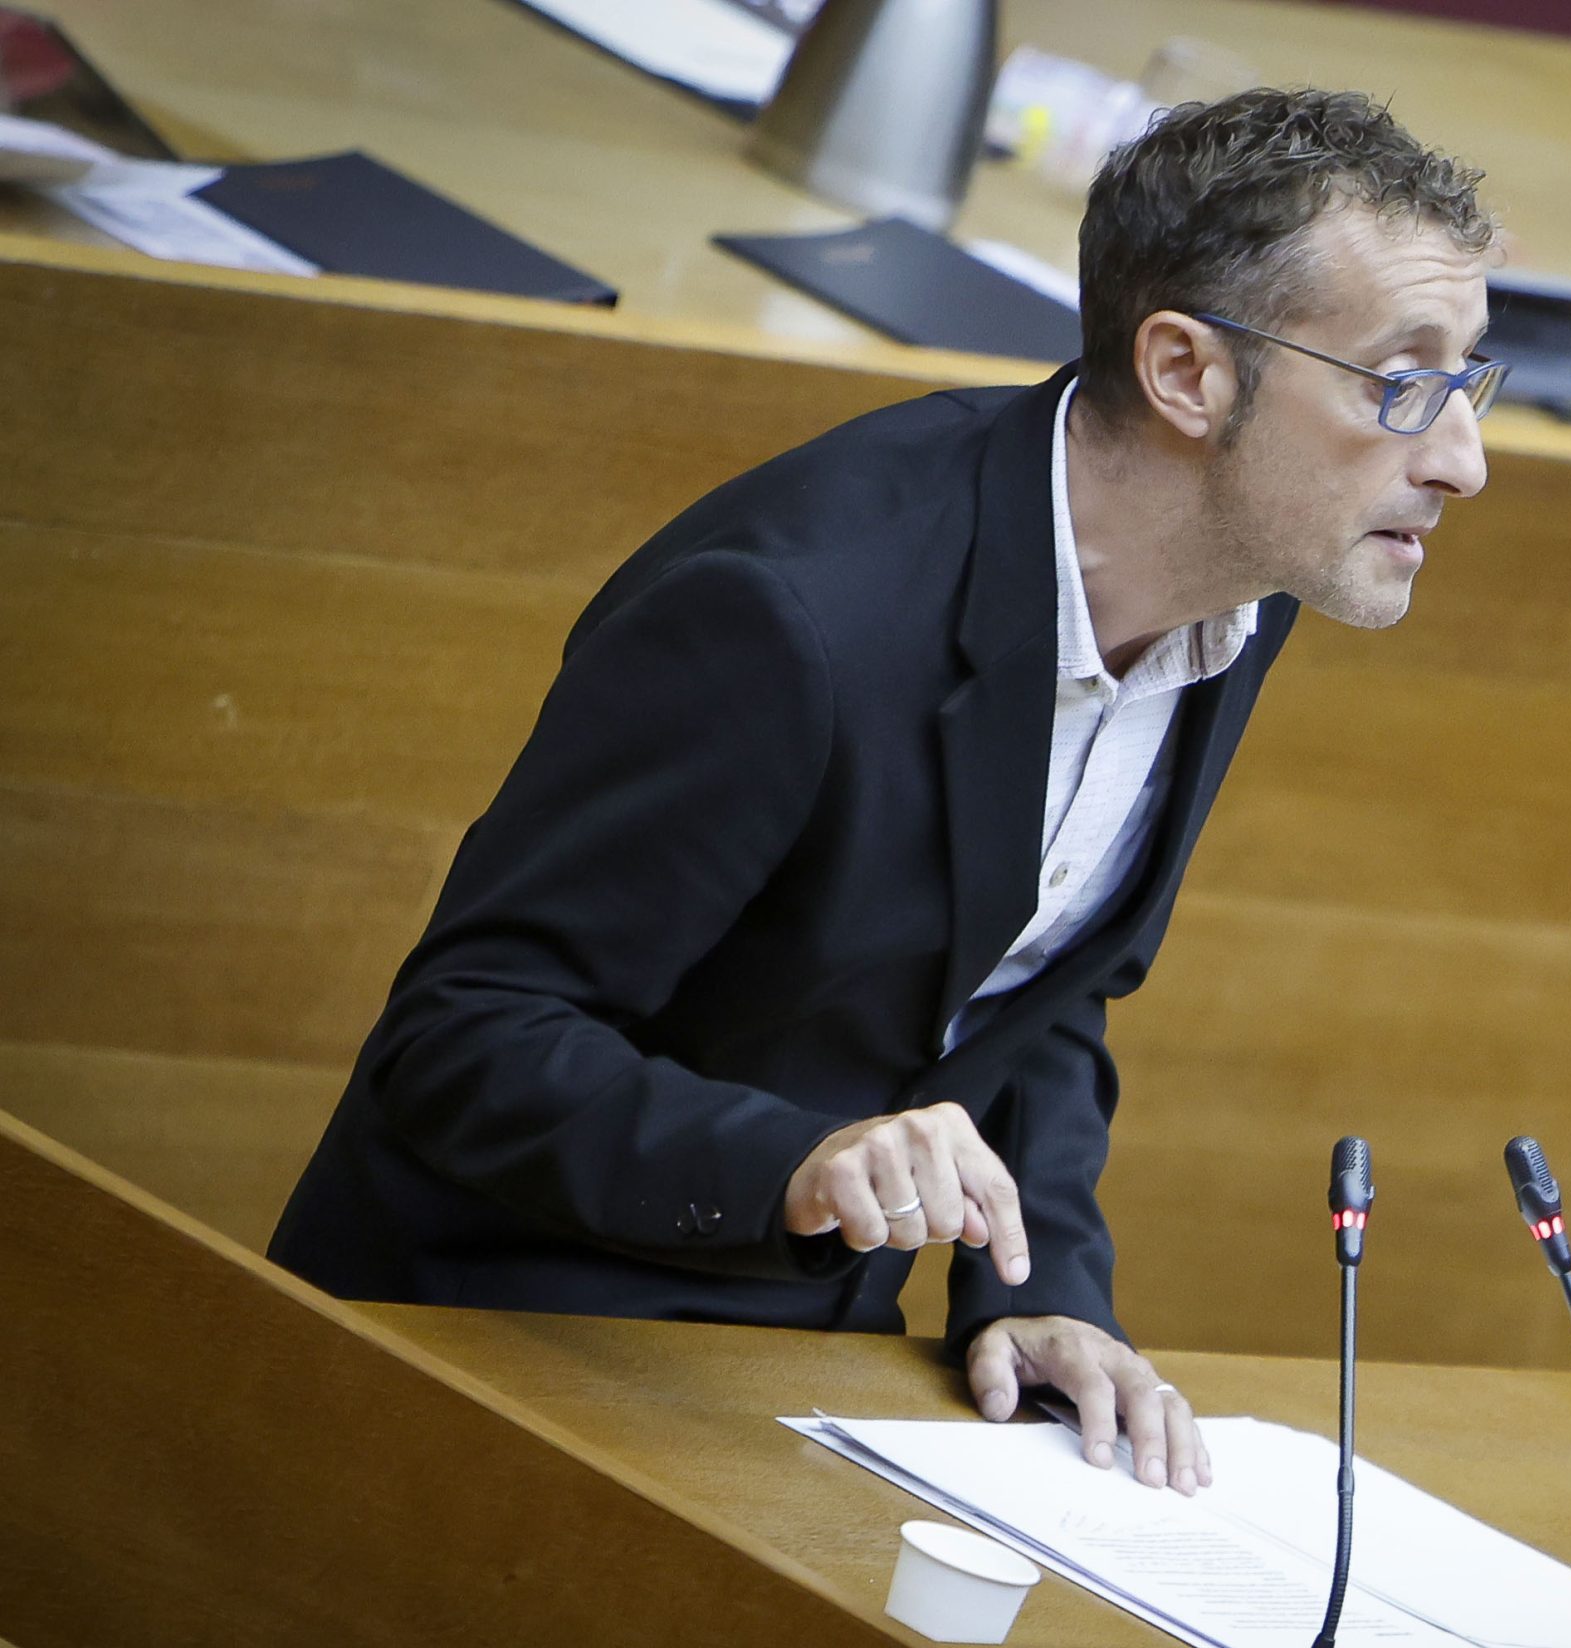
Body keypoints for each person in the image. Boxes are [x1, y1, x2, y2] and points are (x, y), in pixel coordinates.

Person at [269, 87, 1502, 1500]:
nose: (1462, 457)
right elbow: (461, 1040)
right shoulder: (792, 619)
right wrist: (801, 1164)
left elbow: (1041, 978)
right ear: (1187, 374)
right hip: (482, 1341)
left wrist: (1040, 1286)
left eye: (1471, 379)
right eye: (1400, 383)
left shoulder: (1236, 585)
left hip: (800, 1373)